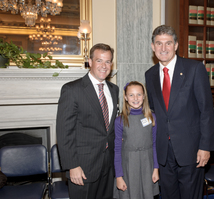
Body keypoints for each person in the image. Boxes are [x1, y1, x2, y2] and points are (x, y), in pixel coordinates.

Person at [145, 25, 214, 199]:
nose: (163, 48)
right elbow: (153, 110)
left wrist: (205, 147)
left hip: (191, 150)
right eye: (159, 43)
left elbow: (206, 110)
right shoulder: (150, 74)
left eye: (168, 43)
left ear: (176, 45)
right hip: (163, 151)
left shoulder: (194, 69)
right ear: (153, 47)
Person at [56, 43, 119, 199]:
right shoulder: (72, 90)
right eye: (99, 61)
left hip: (108, 165)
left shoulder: (114, 90)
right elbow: (64, 133)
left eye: (108, 61)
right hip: (82, 167)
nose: (104, 66)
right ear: (90, 62)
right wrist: (72, 166)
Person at [114, 81, 160, 199]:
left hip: (147, 165)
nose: (135, 98)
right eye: (131, 95)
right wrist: (119, 176)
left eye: (139, 94)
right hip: (129, 165)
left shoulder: (151, 117)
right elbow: (117, 150)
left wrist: (156, 168)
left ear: (144, 96)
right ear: (125, 97)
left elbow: (154, 144)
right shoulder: (120, 120)